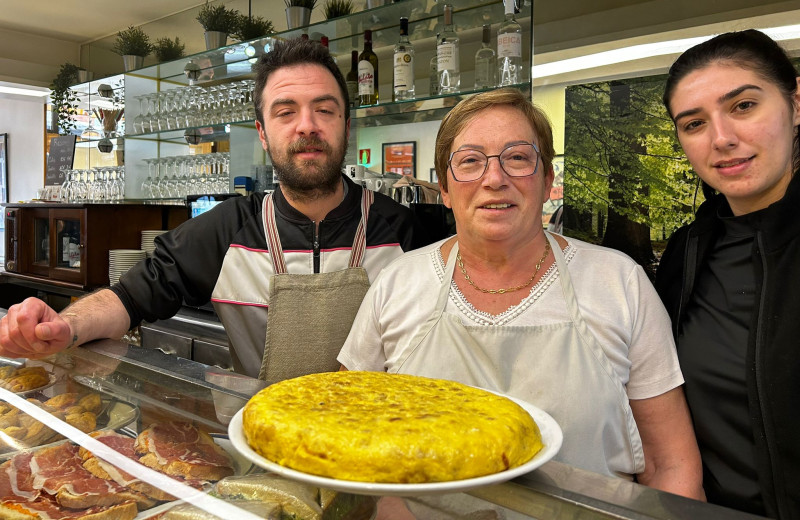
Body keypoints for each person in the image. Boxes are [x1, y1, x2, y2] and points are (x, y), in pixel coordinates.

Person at [339, 87, 704, 498]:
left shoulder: (620, 283)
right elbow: (349, 430)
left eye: (517, 158)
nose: (494, 179)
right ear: (444, 189)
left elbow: (669, 463)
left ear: (547, 179)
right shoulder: (396, 283)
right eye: (471, 161)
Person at [0, 38, 420, 380]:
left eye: (324, 110)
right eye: (285, 111)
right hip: (261, 449)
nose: (306, 125)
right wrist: (64, 327)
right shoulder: (227, 229)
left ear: (347, 126)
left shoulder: (407, 231)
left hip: (378, 448)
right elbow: (129, 298)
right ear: (262, 133)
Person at [656, 29, 800, 519]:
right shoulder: (688, 250)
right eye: (694, 123)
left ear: (796, 104)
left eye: (743, 106)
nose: (722, 139)